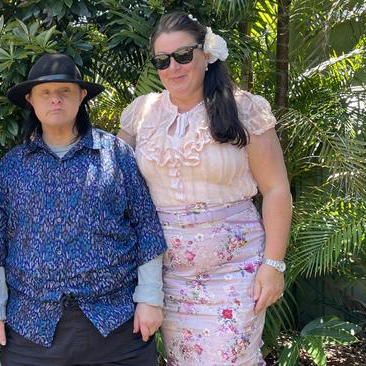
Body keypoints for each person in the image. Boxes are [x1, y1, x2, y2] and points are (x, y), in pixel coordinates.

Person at [117, 12, 292, 365]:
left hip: (235, 269)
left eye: (183, 55)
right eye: (162, 60)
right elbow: (109, 173)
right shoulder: (142, 114)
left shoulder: (244, 109)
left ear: (206, 54)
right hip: (168, 275)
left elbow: (276, 189)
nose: (173, 68)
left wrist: (273, 265)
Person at [0, 53, 168, 366]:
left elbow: (146, 226)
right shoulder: (13, 166)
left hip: (117, 326)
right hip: (31, 331)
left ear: (81, 96)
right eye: (46, 93)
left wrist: (150, 298)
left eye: (65, 91)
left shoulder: (116, 155)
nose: (56, 100)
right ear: (31, 100)